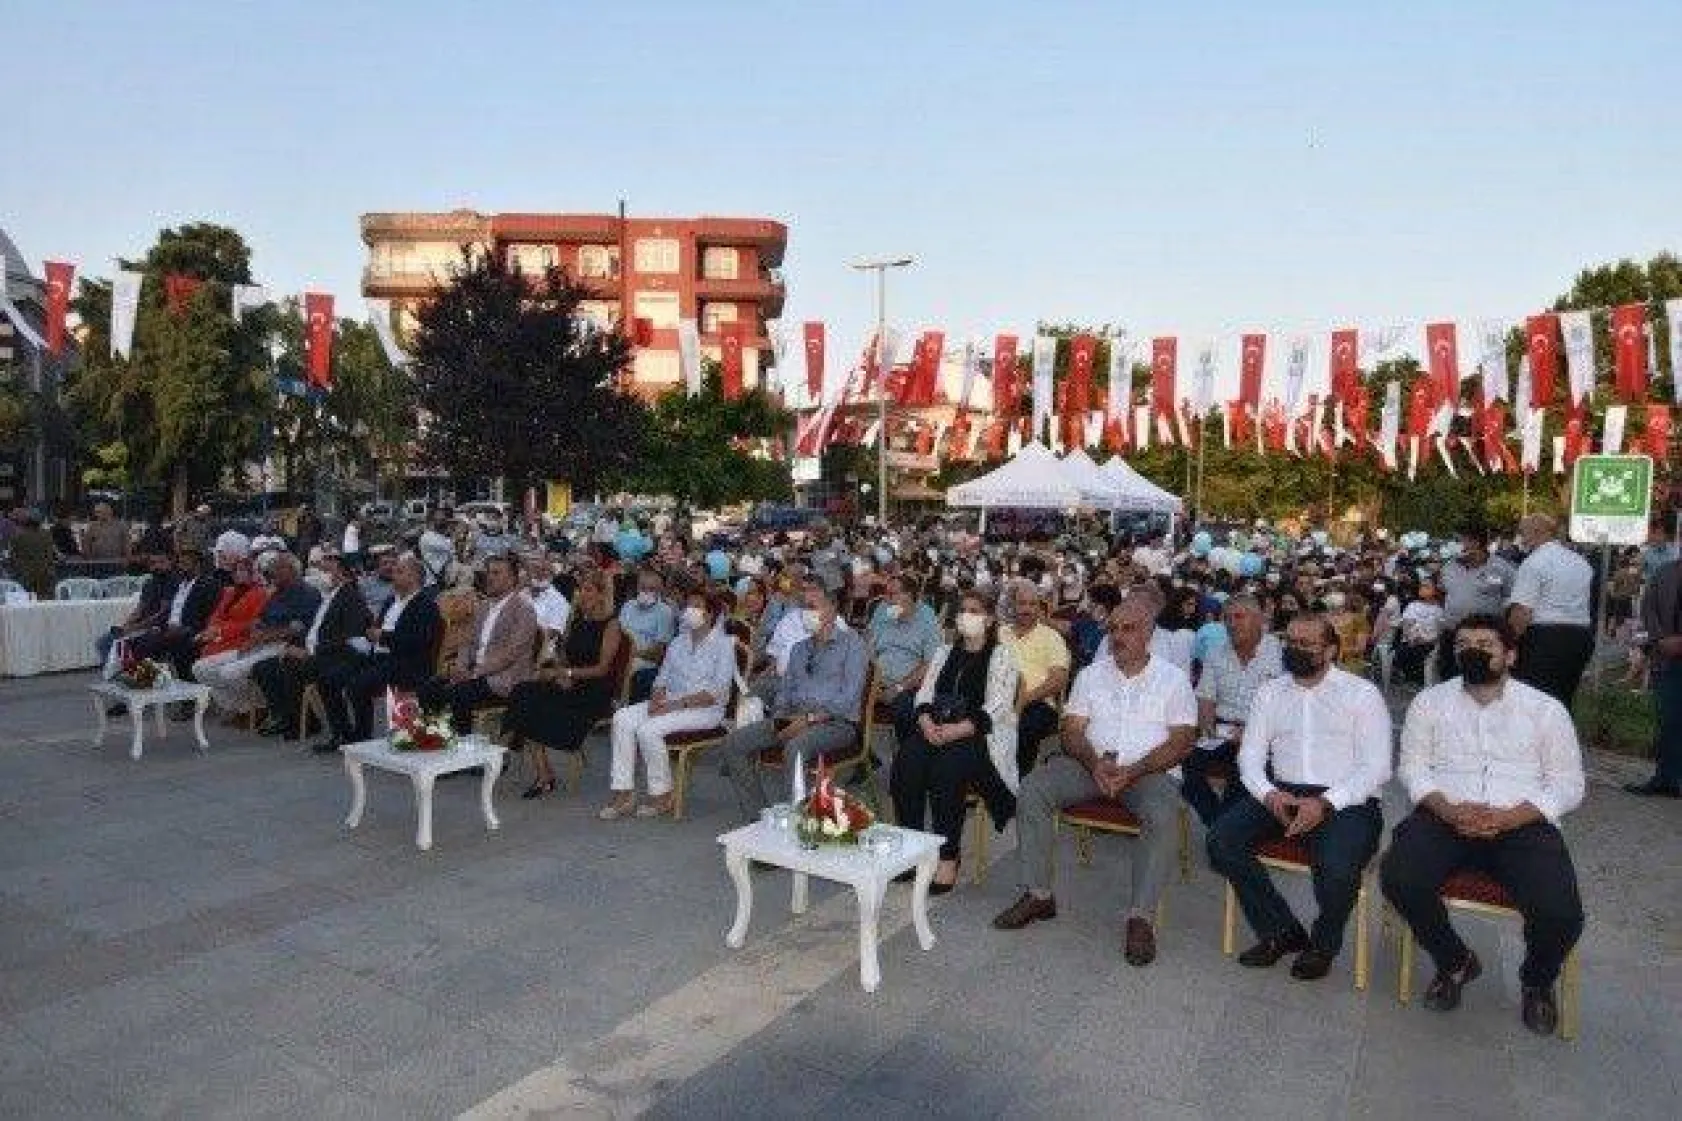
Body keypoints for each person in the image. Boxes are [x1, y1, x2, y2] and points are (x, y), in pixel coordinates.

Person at [1381, 614, 1586, 1035]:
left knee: (1561, 913)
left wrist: (1509, 817)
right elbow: (1413, 768)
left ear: (1510, 655)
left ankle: (1536, 981)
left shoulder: (1546, 710)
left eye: (1486, 645)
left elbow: (1568, 785)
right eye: (1463, 645)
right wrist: (1448, 810)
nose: (1472, 651)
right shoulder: (1429, 703)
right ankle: (1455, 961)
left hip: (1521, 822)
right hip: (1445, 815)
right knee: (1399, 877)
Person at [992, 591, 1197, 968]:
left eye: (1128, 629)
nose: (1118, 636)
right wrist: (1094, 763)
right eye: (1113, 628)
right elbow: (1071, 731)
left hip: (1149, 771)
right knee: (1035, 787)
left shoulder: (1173, 679)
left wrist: (1134, 770)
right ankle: (1038, 894)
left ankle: (1141, 918)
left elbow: (1182, 741)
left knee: (1163, 814)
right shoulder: (1091, 675)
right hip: (1091, 765)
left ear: (1148, 633)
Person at [1207, 612, 1391, 981]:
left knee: (1337, 868)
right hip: (1282, 791)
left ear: (1331, 650)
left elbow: (1377, 767)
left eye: (1306, 644)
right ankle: (1280, 931)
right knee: (1221, 841)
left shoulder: (1361, 694)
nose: (1295, 649)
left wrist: (1325, 803)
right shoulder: (1270, 692)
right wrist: (1269, 794)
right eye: (1290, 641)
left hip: (1347, 799)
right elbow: (1250, 756)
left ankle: (1323, 945)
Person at [889, 590, 1020, 893]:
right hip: (936, 727)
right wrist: (925, 721)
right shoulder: (945, 652)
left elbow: (998, 705)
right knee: (907, 761)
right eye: (962, 610)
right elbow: (925, 692)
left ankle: (948, 857)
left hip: (978, 736)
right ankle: (912, 847)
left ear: (989, 619)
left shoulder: (1002, 655)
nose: (965, 616)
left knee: (946, 770)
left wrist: (958, 730)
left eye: (974, 611)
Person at [718, 578, 868, 818]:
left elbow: (848, 699)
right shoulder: (799, 649)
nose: (808, 614)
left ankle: (797, 821)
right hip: (792, 718)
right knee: (733, 744)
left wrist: (808, 720)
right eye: (805, 608)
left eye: (814, 607)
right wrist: (781, 720)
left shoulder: (853, 645)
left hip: (835, 723)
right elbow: (784, 692)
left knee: (795, 747)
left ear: (832, 609)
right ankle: (758, 815)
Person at [602, 590, 735, 819]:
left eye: (697, 606)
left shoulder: (723, 645)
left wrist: (673, 706)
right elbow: (662, 678)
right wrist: (656, 698)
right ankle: (623, 792)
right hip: (670, 701)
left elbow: (717, 691)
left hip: (705, 710)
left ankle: (661, 795)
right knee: (622, 717)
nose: (690, 611)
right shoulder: (678, 642)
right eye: (688, 605)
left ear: (710, 614)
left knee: (649, 730)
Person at [505, 567, 624, 799]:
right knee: (523, 692)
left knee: (532, 705)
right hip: (570, 680)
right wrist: (557, 667)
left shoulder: (612, 625)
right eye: (581, 589)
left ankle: (534, 765)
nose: (582, 594)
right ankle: (544, 772)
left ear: (602, 594)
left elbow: (602, 669)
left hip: (594, 690)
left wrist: (566, 673)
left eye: (588, 590)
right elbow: (566, 656)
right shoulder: (577, 620)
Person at [316, 554, 443, 750]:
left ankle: (361, 738)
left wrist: (383, 637)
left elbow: (419, 642)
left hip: (405, 661)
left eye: (400, 571)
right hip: (377, 657)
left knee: (358, 685)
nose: (394, 574)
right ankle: (341, 733)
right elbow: (377, 628)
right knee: (329, 678)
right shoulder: (391, 601)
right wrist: (370, 633)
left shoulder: (425, 605)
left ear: (414, 577)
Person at [1182, 594, 1284, 827]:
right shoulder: (1216, 652)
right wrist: (1207, 728)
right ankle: (1216, 821)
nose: (1231, 624)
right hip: (1221, 729)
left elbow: (1285, 707)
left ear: (1259, 620)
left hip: (1261, 732)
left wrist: (1253, 734)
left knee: (1247, 769)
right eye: (1227, 618)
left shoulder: (1279, 653)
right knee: (1186, 759)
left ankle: (1224, 825)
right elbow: (1206, 697)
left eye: (1239, 617)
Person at [251, 552, 373, 741]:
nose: (325, 575)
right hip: (314, 647)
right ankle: (288, 717)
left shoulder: (351, 597)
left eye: (330, 571)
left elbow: (351, 637)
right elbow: (315, 629)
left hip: (336, 654)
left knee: (294, 667)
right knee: (264, 667)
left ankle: (311, 724)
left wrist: (310, 651)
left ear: (344, 574)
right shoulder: (331, 595)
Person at [418, 554, 539, 732]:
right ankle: (434, 738)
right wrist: (460, 667)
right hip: (474, 673)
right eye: (489, 572)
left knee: (459, 694)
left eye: (496, 573)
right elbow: (467, 642)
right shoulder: (483, 606)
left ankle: (462, 745)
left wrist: (474, 673)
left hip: (504, 678)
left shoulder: (524, 610)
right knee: (428, 688)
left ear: (512, 579)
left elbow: (511, 654)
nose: (490, 577)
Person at [192, 553, 321, 717]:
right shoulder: (277, 593)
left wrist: (264, 636)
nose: (271, 572)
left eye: (276, 568)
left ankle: (258, 708)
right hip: (258, 642)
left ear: (291, 570)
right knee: (201, 668)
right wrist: (254, 632)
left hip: (284, 646)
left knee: (229, 673)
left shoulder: (307, 593)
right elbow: (259, 619)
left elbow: (297, 628)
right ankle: (241, 708)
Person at [1506, 514, 1595, 709]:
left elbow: (1522, 612)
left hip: (1544, 640)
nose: (1521, 538)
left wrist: (1508, 642)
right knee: (1563, 701)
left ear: (1538, 532)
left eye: (1523, 532)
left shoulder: (1534, 562)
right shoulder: (1580, 562)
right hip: (1580, 638)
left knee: (1535, 701)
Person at [999, 580, 1072, 778]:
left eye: (1032, 604)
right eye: (1022, 603)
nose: (1027, 609)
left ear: (1039, 608)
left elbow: (1058, 680)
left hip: (1037, 703)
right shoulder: (1001, 633)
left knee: (1022, 729)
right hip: (999, 700)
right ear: (1013, 606)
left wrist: (1024, 699)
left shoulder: (1051, 637)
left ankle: (1016, 782)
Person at [1625, 554, 1681, 797]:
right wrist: (1660, 639)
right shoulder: (1664, 573)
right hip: (1666, 659)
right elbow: (1649, 609)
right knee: (1668, 720)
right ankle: (1666, 778)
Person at [188, 557, 271, 717]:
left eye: (243, 570)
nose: (238, 574)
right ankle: (237, 707)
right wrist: (211, 630)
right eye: (236, 570)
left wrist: (220, 631)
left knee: (212, 670)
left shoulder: (260, 594)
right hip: (219, 641)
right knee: (199, 667)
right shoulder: (229, 592)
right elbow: (216, 615)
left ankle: (252, 707)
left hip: (243, 642)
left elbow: (253, 624)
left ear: (252, 573)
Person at [125, 548, 221, 679]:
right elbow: (167, 612)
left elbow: (208, 614)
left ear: (197, 565)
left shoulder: (208, 585)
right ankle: (147, 680)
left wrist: (186, 628)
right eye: (180, 563)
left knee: (160, 644)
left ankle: (164, 680)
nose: (181, 567)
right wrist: (158, 626)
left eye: (186, 564)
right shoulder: (178, 584)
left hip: (188, 630)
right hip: (168, 628)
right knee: (137, 642)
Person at [867, 572, 943, 738]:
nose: (887, 599)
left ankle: (904, 747)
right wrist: (871, 679)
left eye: (893, 594)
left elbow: (931, 662)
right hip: (875, 679)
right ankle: (860, 744)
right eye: (886, 594)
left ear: (910, 596)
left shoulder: (927, 618)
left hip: (908, 685)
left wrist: (898, 688)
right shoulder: (883, 609)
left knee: (903, 708)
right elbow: (869, 642)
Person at [1437, 528, 1517, 680]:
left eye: (1459, 541)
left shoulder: (1502, 568)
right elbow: (1443, 593)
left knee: (1483, 677)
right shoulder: (1449, 566)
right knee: (1450, 677)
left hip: (1485, 636)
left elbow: (1512, 599)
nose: (1455, 545)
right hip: (1452, 633)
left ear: (1475, 543)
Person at [96, 549, 177, 666]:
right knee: (103, 642)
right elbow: (139, 610)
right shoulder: (149, 584)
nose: (157, 566)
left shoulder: (173, 582)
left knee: (117, 643)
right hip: (142, 626)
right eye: (153, 563)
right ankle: (117, 672)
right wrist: (125, 626)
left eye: (161, 562)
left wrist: (133, 628)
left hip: (158, 626)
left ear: (170, 562)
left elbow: (161, 614)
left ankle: (124, 671)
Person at [618, 567, 677, 704]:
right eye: (643, 588)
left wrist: (633, 653)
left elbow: (658, 653)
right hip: (620, 651)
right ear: (637, 588)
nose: (646, 592)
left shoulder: (665, 612)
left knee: (629, 666)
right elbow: (617, 633)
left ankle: (621, 706)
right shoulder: (628, 605)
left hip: (642, 658)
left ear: (659, 591)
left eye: (651, 589)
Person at [5, 509, 54, 599]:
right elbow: (49, 555)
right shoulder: (46, 535)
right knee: (44, 600)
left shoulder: (18, 537)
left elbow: (12, 556)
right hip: (44, 574)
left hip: (25, 574)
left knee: (26, 599)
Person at [418, 512, 457, 588]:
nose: (444, 522)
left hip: (443, 579)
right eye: (441, 520)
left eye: (444, 520)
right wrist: (456, 533)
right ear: (431, 521)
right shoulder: (427, 537)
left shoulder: (439, 536)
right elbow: (450, 547)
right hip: (433, 582)